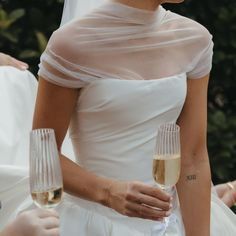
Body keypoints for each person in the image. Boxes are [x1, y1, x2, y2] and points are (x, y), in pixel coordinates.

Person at [16, 0, 236, 235]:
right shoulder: (71, 45)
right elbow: (43, 157)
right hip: (93, 223)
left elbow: (192, 157)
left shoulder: (194, 40)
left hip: (170, 223)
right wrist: (107, 192)